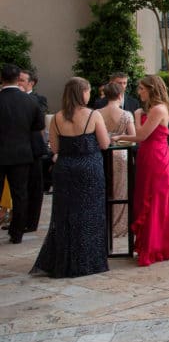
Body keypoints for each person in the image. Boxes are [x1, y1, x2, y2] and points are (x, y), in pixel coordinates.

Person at [30, 77, 110, 278]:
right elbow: (105, 144)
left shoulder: (57, 117)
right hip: (89, 168)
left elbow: (55, 148)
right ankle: (88, 260)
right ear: (82, 92)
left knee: (65, 215)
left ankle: (65, 260)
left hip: (65, 169)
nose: (89, 94)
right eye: (88, 90)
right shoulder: (93, 115)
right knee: (91, 214)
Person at [114, 75, 169, 267]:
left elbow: (141, 135)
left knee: (153, 200)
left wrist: (133, 120)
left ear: (151, 89)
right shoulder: (154, 109)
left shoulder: (158, 109)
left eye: (142, 88)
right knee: (149, 197)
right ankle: (152, 244)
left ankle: (154, 247)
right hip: (149, 156)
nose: (139, 92)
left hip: (155, 157)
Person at [0, 63, 46, 244]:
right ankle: (17, 232)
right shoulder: (30, 101)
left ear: (2, 79)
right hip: (22, 152)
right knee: (20, 193)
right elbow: (38, 126)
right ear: (17, 78)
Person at [97, 81, 135, 237]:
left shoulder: (97, 113)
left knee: (103, 189)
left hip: (101, 154)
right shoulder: (126, 114)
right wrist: (118, 138)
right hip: (121, 155)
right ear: (120, 95)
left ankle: (103, 224)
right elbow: (133, 138)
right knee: (121, 190)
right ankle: (119, 225)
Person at [22, 70, 50, 232]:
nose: (19, 83)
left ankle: (31, 222)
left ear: (31, 83)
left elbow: (40, 123)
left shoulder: (39, 99)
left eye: (22, 80)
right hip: (17, 148)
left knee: (34, 186)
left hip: (33, 148)